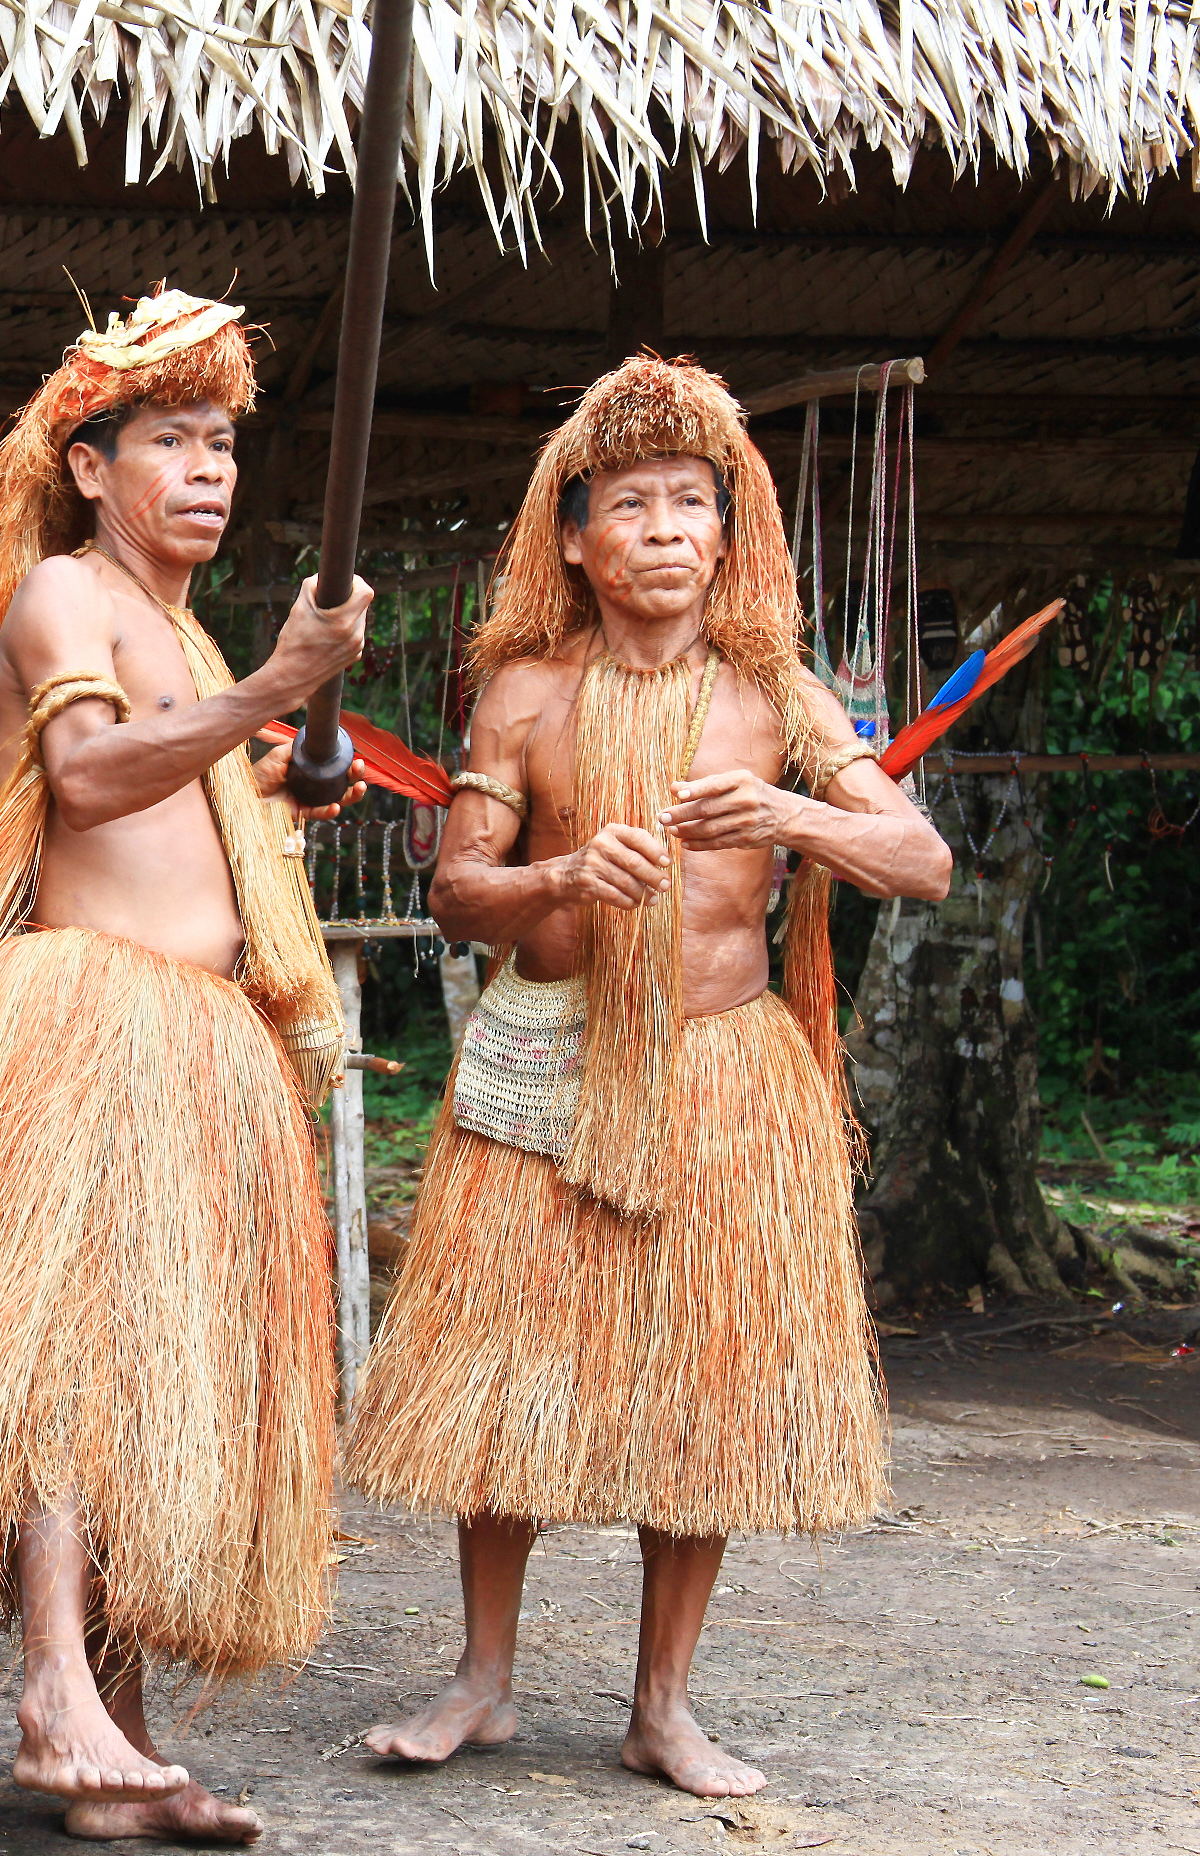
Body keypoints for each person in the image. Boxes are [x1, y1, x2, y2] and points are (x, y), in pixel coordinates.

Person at [0, 288, 370, 1846]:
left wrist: (277, 763)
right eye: (172, 441)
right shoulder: (62, 594)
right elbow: (87, 778)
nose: (209, 470)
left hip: (197, 1039)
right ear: (91, 467)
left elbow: (194, 790)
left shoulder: (178, 626)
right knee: (62, 1359)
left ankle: (123, 1736)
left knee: (150, 1374)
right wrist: (270, 700)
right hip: (79, 1023)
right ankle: (52, 1686)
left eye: (224, 444)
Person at [344, 355, 953, 1798]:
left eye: (695, 501)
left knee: (709, 1386)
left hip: (724, 1075)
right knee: (506, 1373)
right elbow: (457, 894)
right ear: (574, 536)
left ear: (729, 535)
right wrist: (560, 869)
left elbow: (920, 861)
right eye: (633, 503)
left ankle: (661, 1707)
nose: (668, 527)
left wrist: (794, 810)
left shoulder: (779, 698)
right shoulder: (526, 695)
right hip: (548, 1054)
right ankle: (483, 1682)